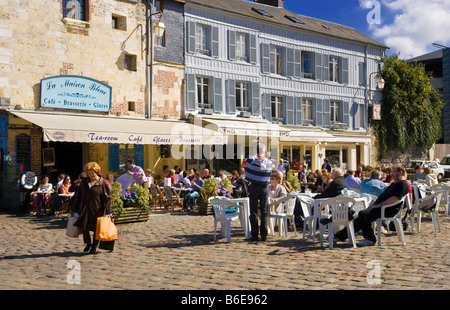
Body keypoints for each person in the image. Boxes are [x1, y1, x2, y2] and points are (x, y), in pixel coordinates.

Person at [333, 165, 409, 247]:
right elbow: (383, 196)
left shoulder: (402, 184)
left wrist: (380, 205)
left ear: (400, 172)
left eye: (393, 172)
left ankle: (370, 239)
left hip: (387, 209)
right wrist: (373, 205)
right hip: (381, 207)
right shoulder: (395, 183)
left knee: (363, 214)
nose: (391, 174)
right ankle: (339, 236)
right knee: (360, 217)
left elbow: (395, 198)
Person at [71, 162, 112, 254]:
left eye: (92, 173)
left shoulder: (102, 183)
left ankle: (94, 245)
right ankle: (88, 243)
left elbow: (108, 198)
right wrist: (74, 209)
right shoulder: (84, 182)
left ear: (97, 172)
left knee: (97, 228)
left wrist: (109, 211)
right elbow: (78, 196)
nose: (90, 175)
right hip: (84, 208)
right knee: (84, 227)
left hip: (97, 209)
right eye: (89, 173)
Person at [243, 143, 273, 242]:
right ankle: (264, 235)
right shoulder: (269, 162)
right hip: (264, 188)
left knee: (253, 211)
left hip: (254, 186)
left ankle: (254, 235)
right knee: (264, 211)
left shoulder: (251, 160)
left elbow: (244, 163)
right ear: (265, 151)